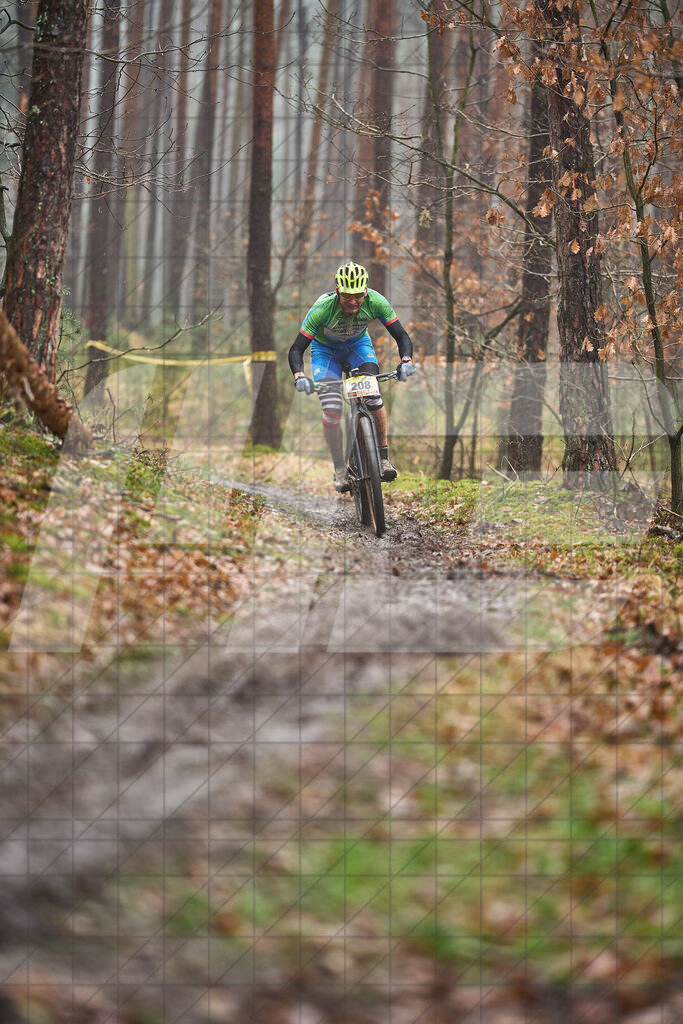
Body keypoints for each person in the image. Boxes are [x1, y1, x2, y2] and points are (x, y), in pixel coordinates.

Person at [288, 261, 416, 492]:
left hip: (358, 347)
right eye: (348, 297)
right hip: (325, 353)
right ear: (338, 292)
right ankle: (340, 468)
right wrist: (299, 376)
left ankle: (383, 457)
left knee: (373, 397)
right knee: (332, 410)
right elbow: (296, 349)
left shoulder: (376, 301)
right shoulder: (321, 309)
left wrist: (406, 360)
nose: (354, 301)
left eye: (358, 296)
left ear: (365, 291)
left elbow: (401, 335)